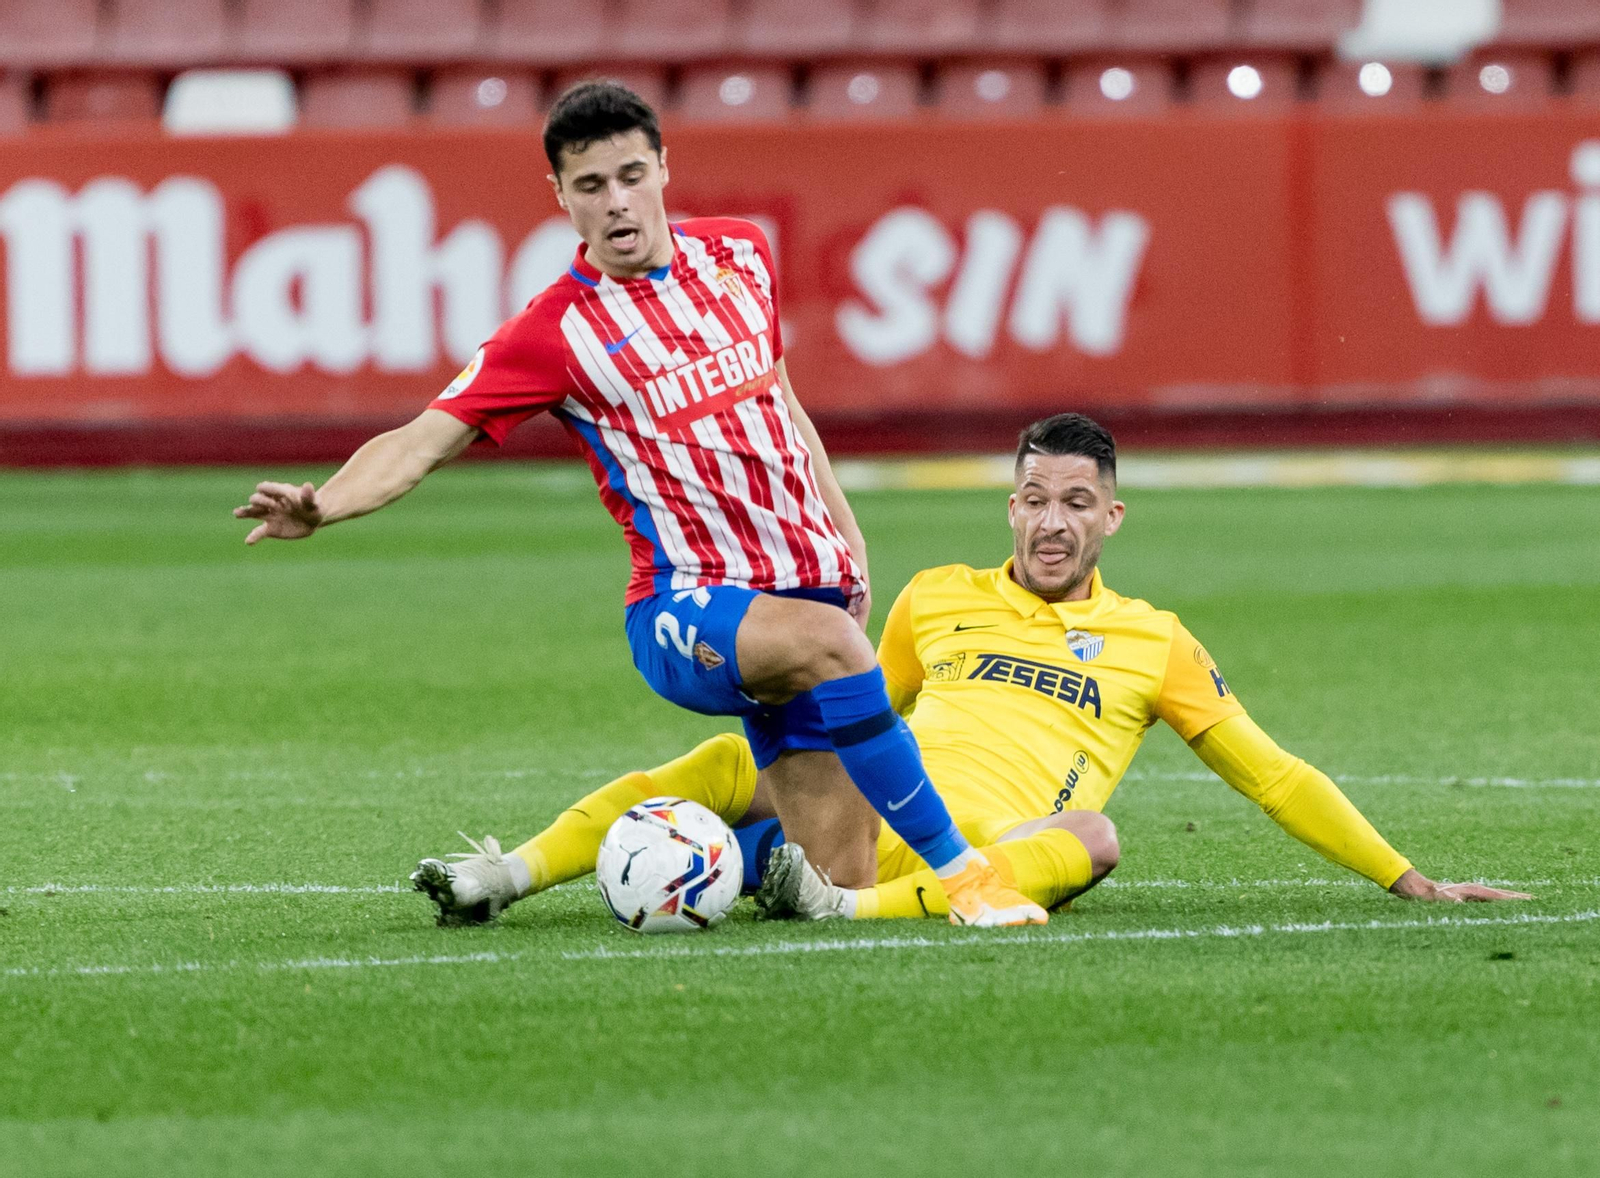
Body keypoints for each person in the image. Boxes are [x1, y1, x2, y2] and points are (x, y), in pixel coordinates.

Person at [232, 81, 1044, 928]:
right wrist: (325, 505)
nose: (616, 202)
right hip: (682, 607)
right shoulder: (553, 333)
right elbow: (421, 440)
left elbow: (782, 404)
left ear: (663, 168)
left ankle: (655, 861)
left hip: (806, 590)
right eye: (591, 186)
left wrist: (848, 541)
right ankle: (968, 878)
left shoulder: (739, 254)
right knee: (837, 649)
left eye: (630, 176)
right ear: (561, 196)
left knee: (836, 879)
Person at [450, 412, 1531, 925]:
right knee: (738, 760)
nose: (1052, 523)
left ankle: (837, 908)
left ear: (1111, 516)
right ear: (1010, 505)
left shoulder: (1155, 639)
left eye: (1076, 503)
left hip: (985, 857)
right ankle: (506, 874)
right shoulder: (937, 596)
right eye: (1035, 499)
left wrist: (1406, 876)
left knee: (1095, 838)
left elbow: (1272, 773)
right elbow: (850, 719)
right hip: (868, 831)